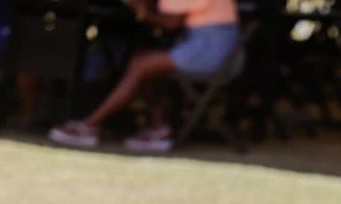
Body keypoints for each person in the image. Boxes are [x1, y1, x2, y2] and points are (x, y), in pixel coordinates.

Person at [48, 0, 240, 151]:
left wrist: (141, 11)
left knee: (142, 65)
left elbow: (170, 23)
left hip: (213, 51)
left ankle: (89, 126)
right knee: (144, 60)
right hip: (206, 44)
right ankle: (159, 130)